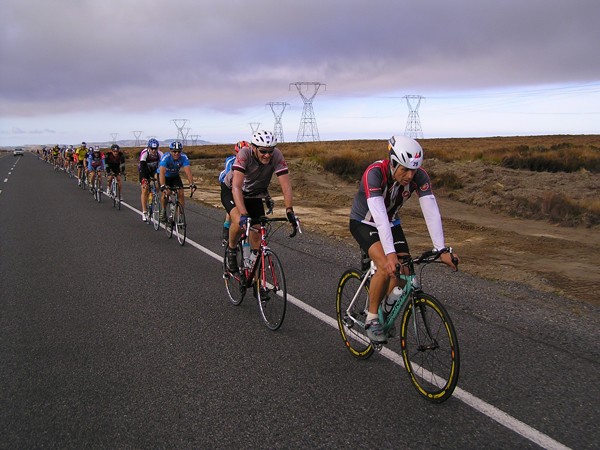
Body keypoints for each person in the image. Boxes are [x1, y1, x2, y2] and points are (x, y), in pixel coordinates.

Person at [349, 135, 459, 343]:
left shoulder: (419, 177)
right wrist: (389, 255)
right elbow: (379, 215)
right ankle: (372, 318)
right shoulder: (374, 173)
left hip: (391, 221)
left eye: (414, 170)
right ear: (392, 162)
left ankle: (384, 311)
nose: (410, 175)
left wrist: (441, 249)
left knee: (404, 270)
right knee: (385, 266)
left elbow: (431, 210)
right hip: (364, 222)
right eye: (405, 169)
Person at [221, 130, 297, 273]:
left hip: (254, 194)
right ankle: (231, 249)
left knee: (257, 239)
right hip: (232, 190)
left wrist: (289, 210)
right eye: (263, 151)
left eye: (270, 151)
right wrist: (243, 214)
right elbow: (236, 187)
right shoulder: (244, 154)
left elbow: (286, 186)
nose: (267, 155)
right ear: (254, 148)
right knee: (239, 222)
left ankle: (259, 286)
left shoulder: (277, 155)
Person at [219, 140, 249, 243]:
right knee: (231, 209)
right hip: (227, 182)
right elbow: (230, 176)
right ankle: (226, 229)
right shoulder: (231, 160)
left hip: (241, 184)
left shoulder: (250, 160)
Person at [158, 141, 196, 221]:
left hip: (175, 176)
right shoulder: (166, 157)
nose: (176, 153)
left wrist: (191, 184)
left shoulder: (184, 157)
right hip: (165, 177)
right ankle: (163, 210)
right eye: (174, 151)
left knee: (181, 193)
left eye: (179, 151)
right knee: (167, 192)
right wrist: (163, 186)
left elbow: (188, 172)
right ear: (170, 151)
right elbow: (162, 173)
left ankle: (179, 216)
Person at [139, 138, 164, 222]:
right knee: (145, 188)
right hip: (144, 170)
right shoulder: (144, 153)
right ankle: (144, 212)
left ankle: (153, 195)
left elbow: (162, 167)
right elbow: (143, 167)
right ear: (148, 148)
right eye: (152, 149)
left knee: (158, 183)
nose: (153, 150)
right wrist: (145, 179)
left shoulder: (160, 154)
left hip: (154, 170)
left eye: (155, 149)